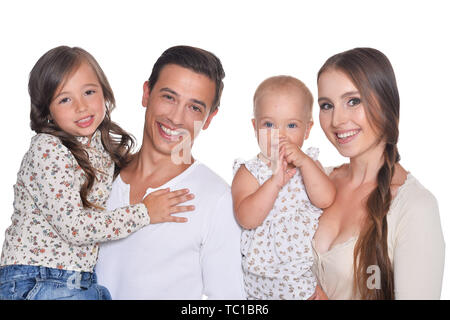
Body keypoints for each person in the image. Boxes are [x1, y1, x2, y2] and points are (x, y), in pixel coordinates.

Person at [0, 46, 194, 300]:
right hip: (37, 278)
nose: (81, 107)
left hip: (75, 280)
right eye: (65, 99)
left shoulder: (99, 149)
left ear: (105, 93)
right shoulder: (47, 148)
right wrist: (145, 212)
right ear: (48, 111)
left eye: (89, 92)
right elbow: (74, 228)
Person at [95, 45, 245, 299]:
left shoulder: (216, 199)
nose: (176, 118)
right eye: (169, 97)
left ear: (209, 118)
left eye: (194, 107)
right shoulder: (99, 177)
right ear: (147, 93)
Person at [311, 47, 445, 300]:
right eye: (326, 105)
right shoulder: (314, 181)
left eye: (353, 101)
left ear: (385, 101)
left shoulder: (415, 207)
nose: (337, 120)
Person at [231, 76, 336, 299]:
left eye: (291, 125)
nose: (280, 135)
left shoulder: (309, 166)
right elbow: (247, 218)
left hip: (301, 276)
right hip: (261, 280)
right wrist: (274, 183)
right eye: (269, 124)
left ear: (307, 130)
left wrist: (305, 162)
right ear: (255, 127)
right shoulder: (249, 171)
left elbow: (326, 199)